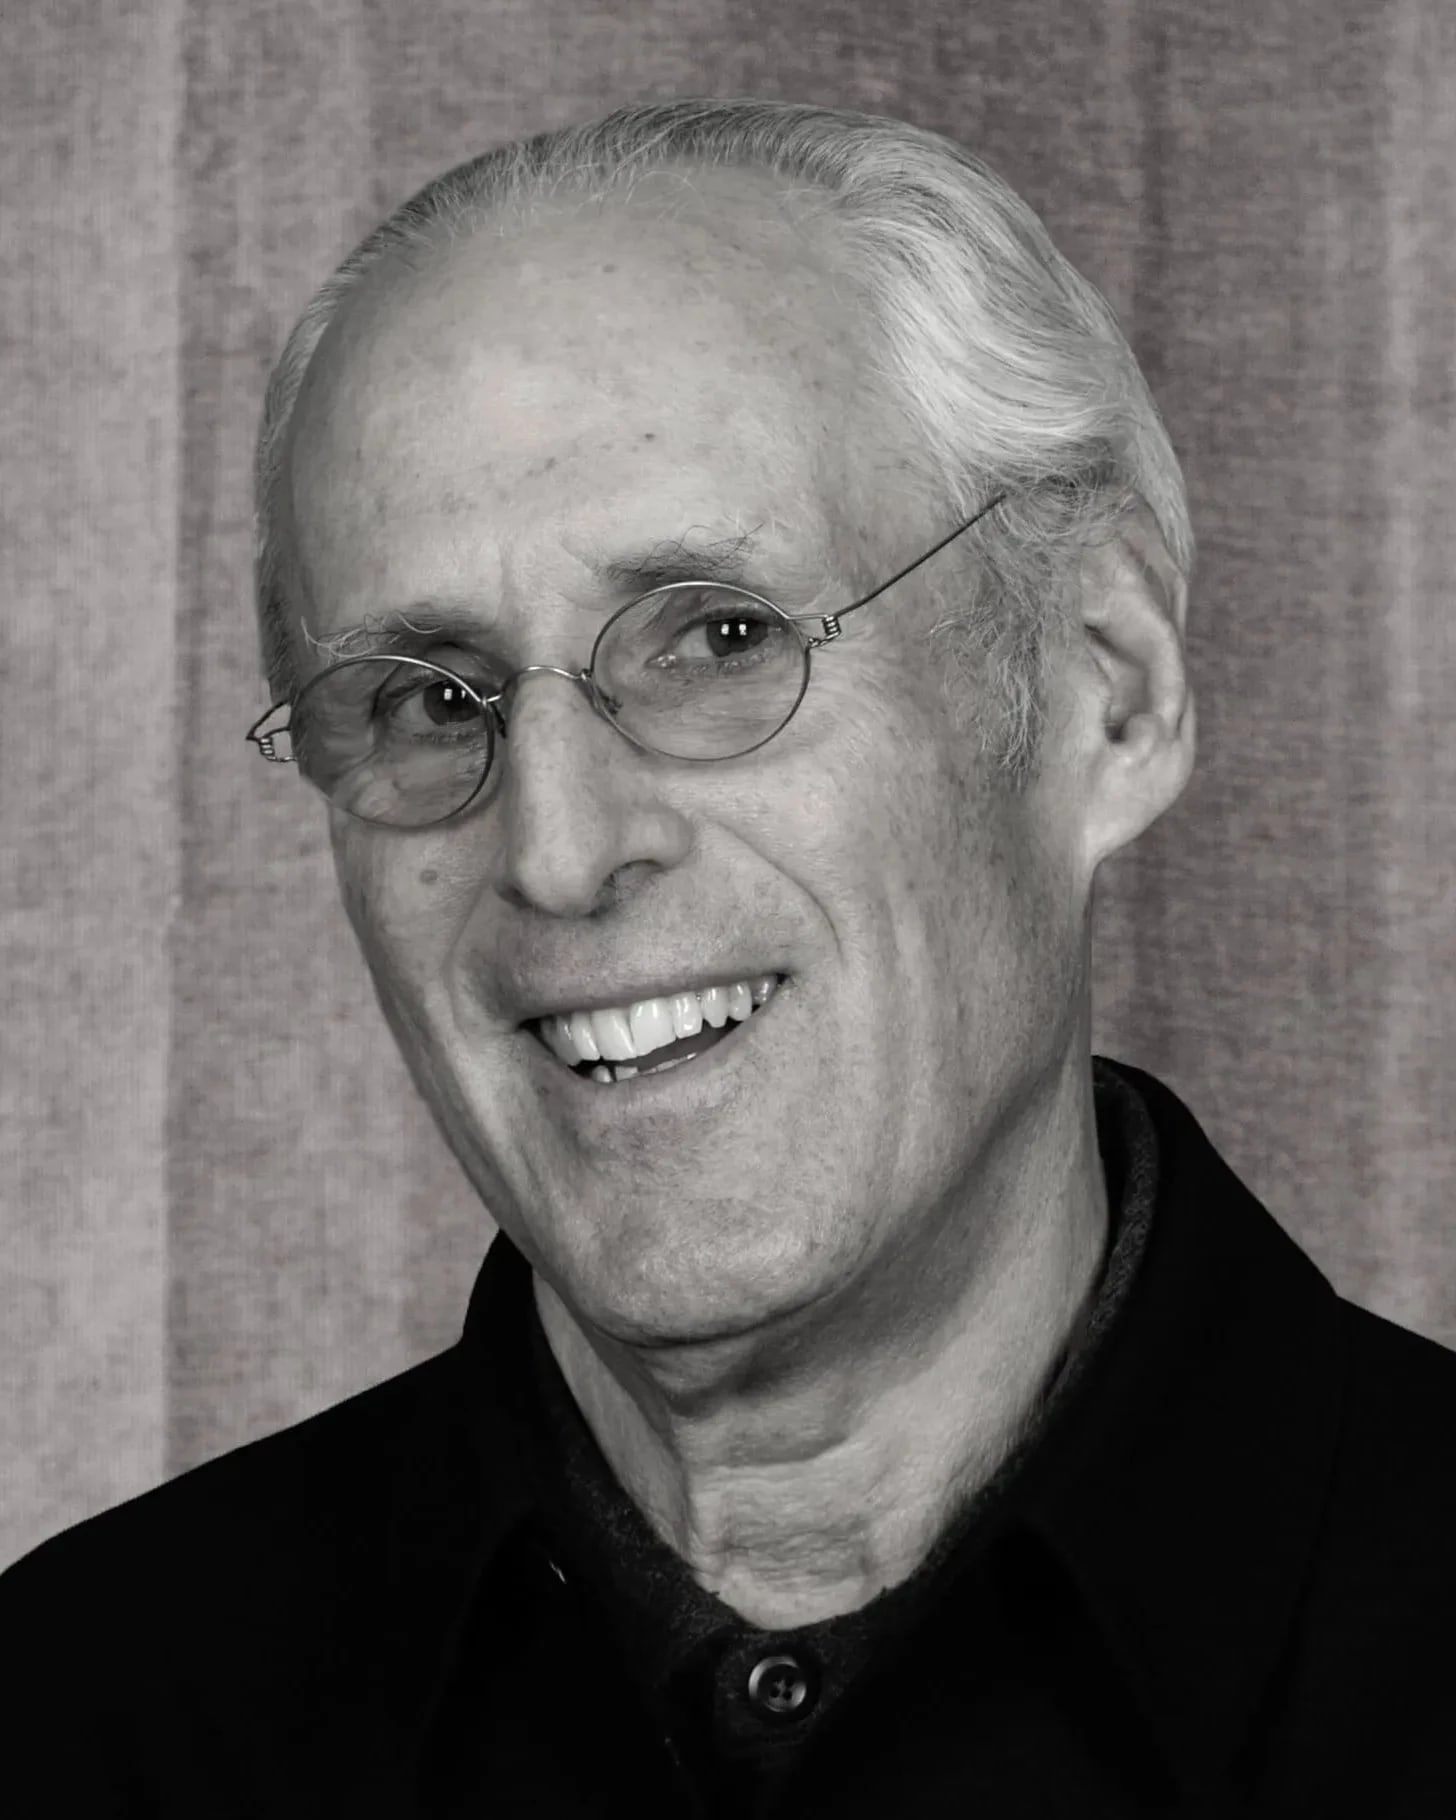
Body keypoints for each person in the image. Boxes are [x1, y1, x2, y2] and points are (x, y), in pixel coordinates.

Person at [4, 97, 1453, 1819]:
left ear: (1103, 691)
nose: (557, 851)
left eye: (721, 637)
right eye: (430, 700)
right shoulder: (79, 1719)